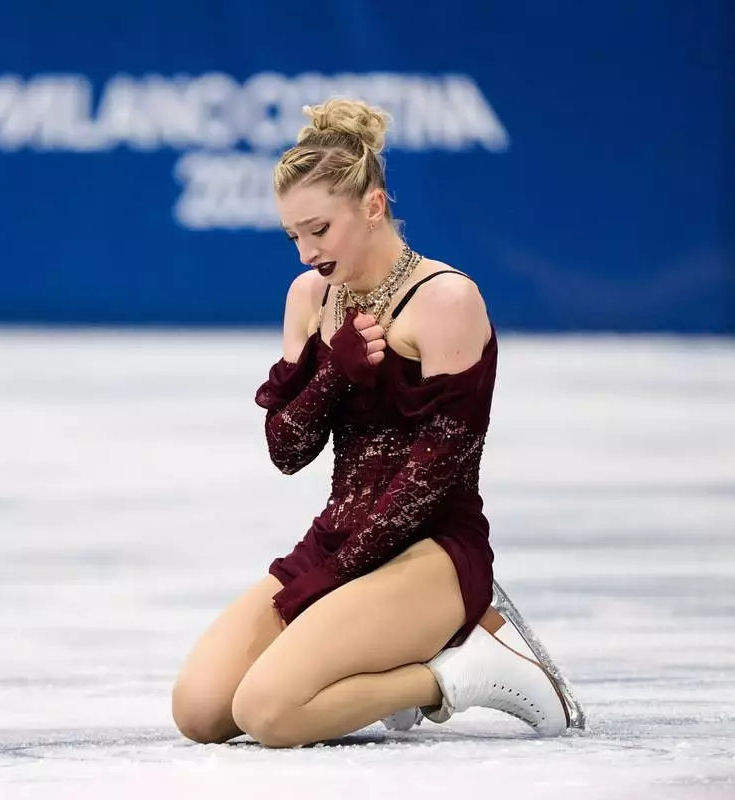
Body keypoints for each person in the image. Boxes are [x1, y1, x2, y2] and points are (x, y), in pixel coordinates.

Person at [171, 98, 574, 749]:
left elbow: (438, 472)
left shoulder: (445, 300)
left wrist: (336, 579)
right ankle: (379, 648)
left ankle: (461, 669)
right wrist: (333, 369)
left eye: (318, 230)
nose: (305, 252)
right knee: (200, 711)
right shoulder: (311, 298)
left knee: (270, 714)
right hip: (338, 538)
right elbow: (286, 450)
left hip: (432, 552)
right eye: (292, 236)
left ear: (373, 207)